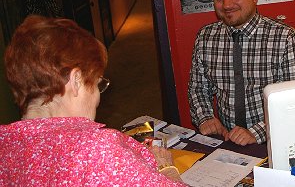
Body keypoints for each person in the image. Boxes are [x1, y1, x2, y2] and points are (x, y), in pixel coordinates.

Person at [0, 15, 186, 186]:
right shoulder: (97, 150)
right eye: (98, 84)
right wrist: (165, 169)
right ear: (76, 80)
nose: (98, 98)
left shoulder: (5, 146)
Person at [188, 0, 295, 146]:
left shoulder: (286, 39)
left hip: (274, 139)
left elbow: (294, 103)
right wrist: (205, 118)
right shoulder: (205, 37)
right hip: (226, 141)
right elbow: (198, 89)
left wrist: (255, 133)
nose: (226, 5)